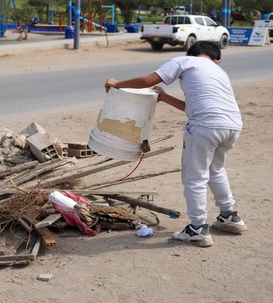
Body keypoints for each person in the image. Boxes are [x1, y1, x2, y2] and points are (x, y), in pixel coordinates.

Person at [104, 41, 246, 248]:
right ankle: (229, 216)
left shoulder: (184, 61)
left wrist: (117, 84)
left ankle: (198, 228)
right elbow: (192, 108)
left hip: (205, 126)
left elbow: (146, 80)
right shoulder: (219, 71)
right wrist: (165, 97)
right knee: (216, 170)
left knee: (194, 177)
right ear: (217, 59)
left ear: (189, 53)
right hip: (232, 126)